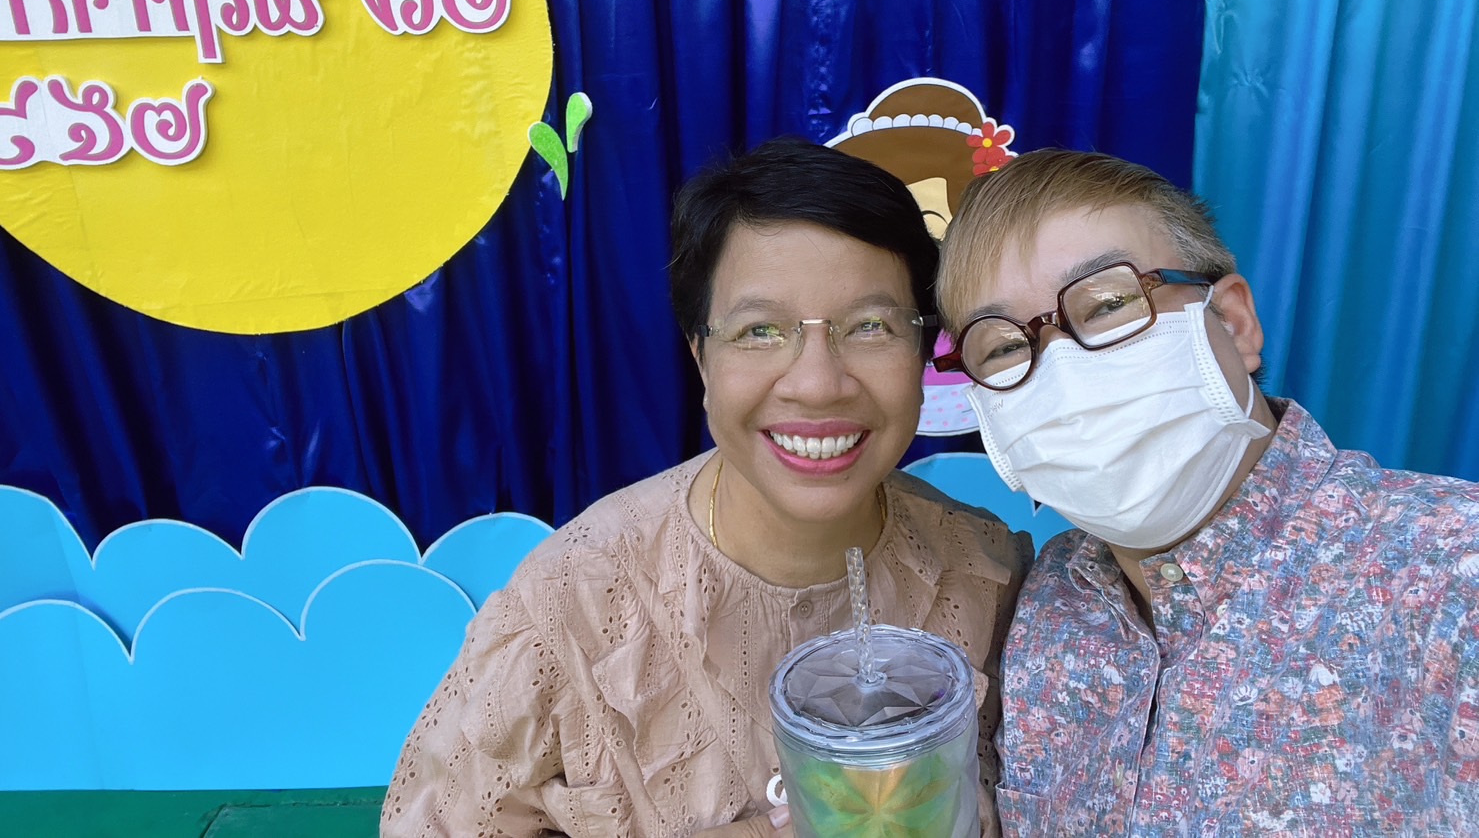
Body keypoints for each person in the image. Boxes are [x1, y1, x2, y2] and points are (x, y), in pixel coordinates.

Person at [382, 137, 1032, 838]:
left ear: (921, 352)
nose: (817, 383)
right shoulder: (571, 605)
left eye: (871, 326)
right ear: (700, 356)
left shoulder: (986, 573)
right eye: (761, 330)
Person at [933, 148, 1479, 835]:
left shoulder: (1451, 578)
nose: (1062, 372)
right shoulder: (1050, 600)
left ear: (1234, 321)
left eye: (1109, 303)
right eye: (1004, 348)